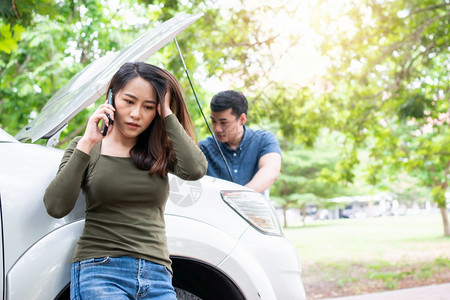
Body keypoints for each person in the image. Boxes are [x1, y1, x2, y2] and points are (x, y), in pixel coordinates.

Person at [43, 62, 207, 299]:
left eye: (149, 107)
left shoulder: (159, 150)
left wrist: (167, 113)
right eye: (129, 101)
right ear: (111, 97)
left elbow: (196, 169)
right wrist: (87, 143)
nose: (136, 114)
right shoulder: (88, 147)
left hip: (157, 274)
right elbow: (56, 206)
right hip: (101, 271)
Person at [199, 90, 281, 195]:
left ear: (242, 119)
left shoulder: (264, 140)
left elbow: (271, 171)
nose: (217, 128)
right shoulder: (203, 148)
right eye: (213, 121)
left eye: (224, 123)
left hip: (253, 211)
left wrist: (238, 196)